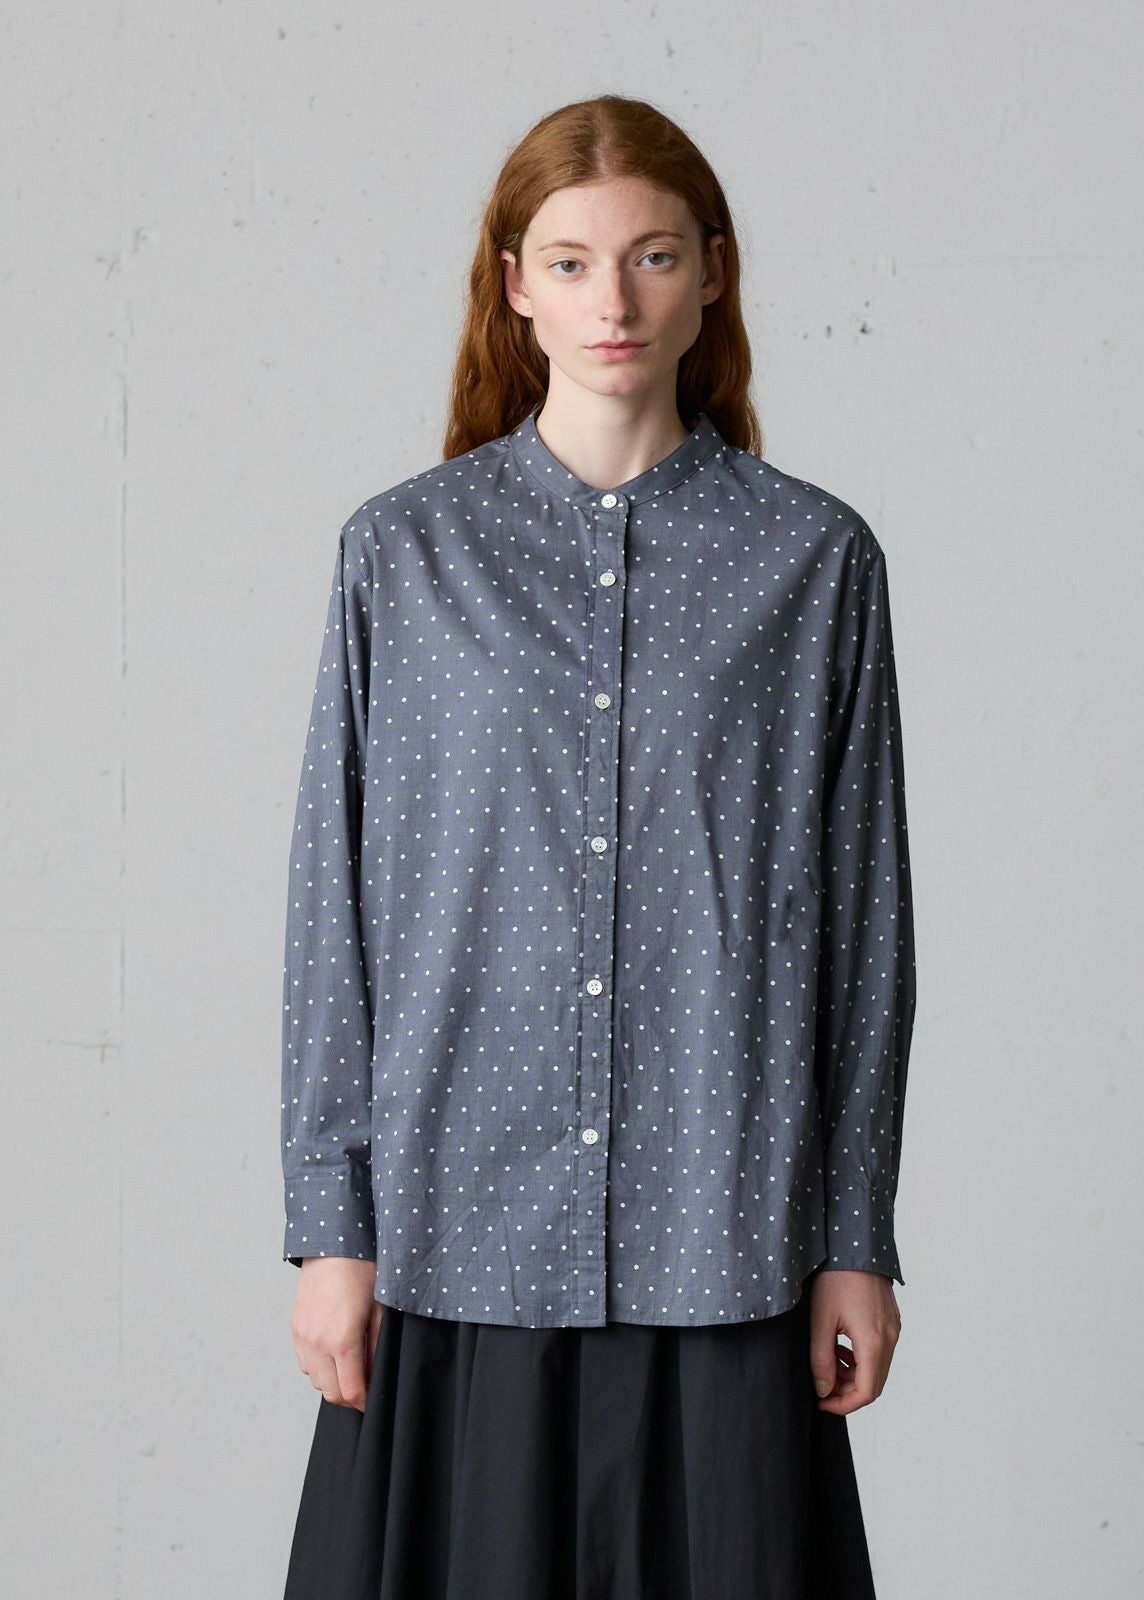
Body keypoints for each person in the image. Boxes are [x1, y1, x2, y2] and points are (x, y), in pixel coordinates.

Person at [280, 93, 916, 1600]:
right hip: (455, 1235)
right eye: (570, 263)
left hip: (727, 1236)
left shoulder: (813, 561)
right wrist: (331, 1227)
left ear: (712, 274)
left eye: (651, 257)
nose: (612, 302)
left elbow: (864, 925)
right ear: (514, 285)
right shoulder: (403, 553)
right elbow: (333, 912)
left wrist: (855, 1234)